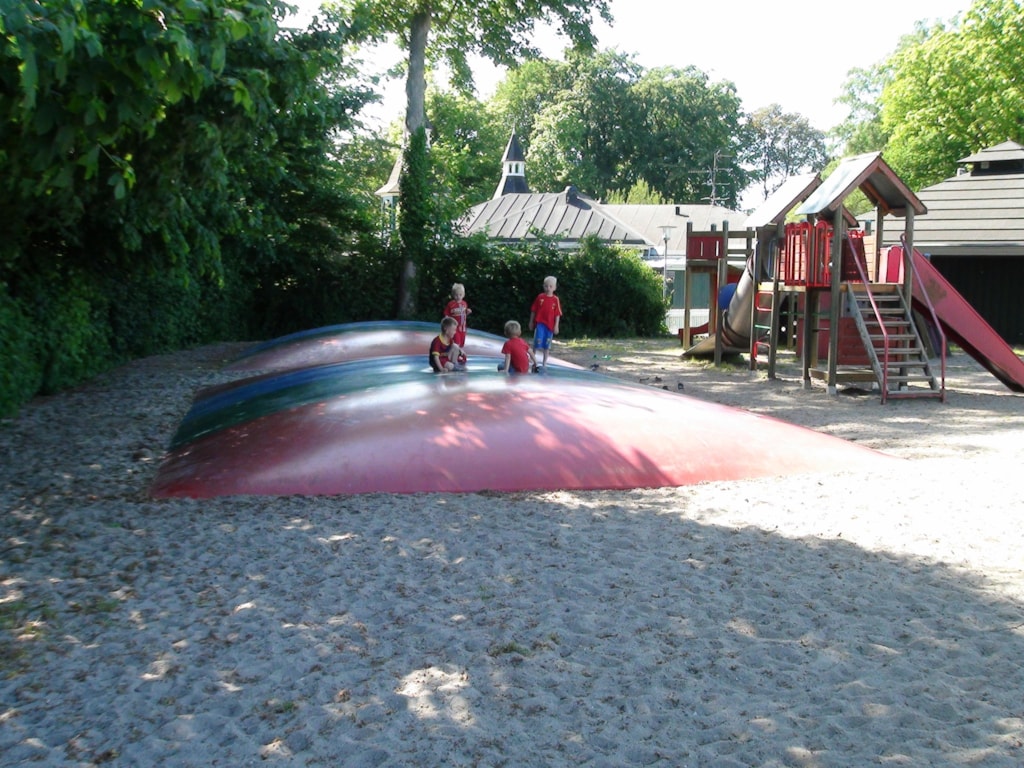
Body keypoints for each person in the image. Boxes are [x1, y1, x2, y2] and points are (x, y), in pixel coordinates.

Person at [528, 275, 562, 373]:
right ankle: (533, 360)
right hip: (540, 324)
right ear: (543, 286)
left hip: (550, 326)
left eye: (550, 286)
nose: (548, 288)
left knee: (547, 345)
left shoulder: (555, 299)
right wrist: (531, 322)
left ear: (554, 288)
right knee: (536, 342)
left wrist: (556, 326)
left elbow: (557, 314)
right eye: (546, 286)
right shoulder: (540, 297)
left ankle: (544, 363)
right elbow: (533, 310)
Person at [443, 283, 472, 359]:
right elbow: (446, 314)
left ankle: (457, 355)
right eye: (456, 295)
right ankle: (453, 357)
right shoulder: (451, 304)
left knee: (461, 343)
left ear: (463, 295)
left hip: (463, 328)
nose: (458, 297)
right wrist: (447, 322)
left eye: (460, 295)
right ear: (453, 295)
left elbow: (463, 315)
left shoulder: (464, 304)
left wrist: (467, 312)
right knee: (457, 342)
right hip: (455, 328)